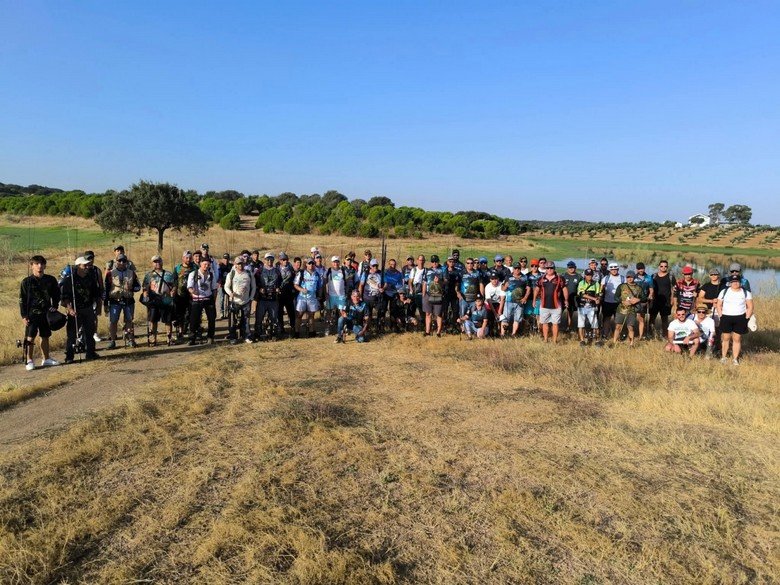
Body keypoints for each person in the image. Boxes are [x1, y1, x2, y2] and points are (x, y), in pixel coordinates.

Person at [19, 255, 61, 370]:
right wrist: (24, 315)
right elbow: (21, 300)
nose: (40, 266)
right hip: (31, 314)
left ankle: (46, 359)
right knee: (30, 337)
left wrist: (55, 306)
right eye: (37, 264)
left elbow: (56, 295)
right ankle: (29, 360)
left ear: (45, 265)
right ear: (31, 266)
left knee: (45, 336)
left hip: (46, 313)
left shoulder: (50, 279)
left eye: (42, 264)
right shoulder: (26, 282)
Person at [61, 256, 101, 362]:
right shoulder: (69, 280)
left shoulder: (91, 279)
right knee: (72, 335)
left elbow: (96, 294)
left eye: (88, 265)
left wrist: (98, 307)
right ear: (78, 266)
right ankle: (69, 356)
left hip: (88, 309)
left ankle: (90, 353)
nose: (87, 267)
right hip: (75, 311)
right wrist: (70, 309)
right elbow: (65, 297)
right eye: (85, 265)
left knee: (90, 332)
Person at [104, 253, 141, 349]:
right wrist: (105, 303)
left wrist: (131, 287)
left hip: (128, 300)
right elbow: (106, 289)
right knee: (113, 321)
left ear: (126, 262)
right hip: (114, 301)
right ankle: (112, 341)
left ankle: (130, 339)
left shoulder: (131, 273)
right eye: (119, 260)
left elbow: (138, 287)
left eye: (124, 261)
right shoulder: (110, 273)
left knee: (129, 320)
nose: (122, 262)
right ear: (116, 262)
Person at [716, 274, 753, 366]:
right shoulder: (724, 291)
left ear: (740, 282)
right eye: (733, 282)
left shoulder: (746, 292)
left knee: (737, 338)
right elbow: (718, 304)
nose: (735, 283)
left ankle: (735, 359)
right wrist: (721, 316)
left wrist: (747, 318)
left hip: (740, 317)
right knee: (726, 338)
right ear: (730, 283)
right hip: (726, 317)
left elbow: (750, 306)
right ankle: (724, 357)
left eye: (737, 281)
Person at [142, 255, 177, 346]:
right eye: (155, 262)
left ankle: (169, 338)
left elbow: (174, 286)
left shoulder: (169, 274)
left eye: (158, 261)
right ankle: (153, 339)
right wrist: (146, 299)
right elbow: (145, 288)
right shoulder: (148, 275)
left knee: (168, 320)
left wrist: (173, 291)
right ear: (152, 263)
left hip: (166, 300)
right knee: (153, 320)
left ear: (162, 262)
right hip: (154, 301)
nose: (157, 263)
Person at [224, 256, 255, 344]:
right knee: (233, 320)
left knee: (246, 320)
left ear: (244, 264)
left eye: (241, 263)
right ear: (235, 264)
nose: (240, 265)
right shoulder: (231, 274)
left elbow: (254, 287)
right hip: (234, 301)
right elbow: (226, 286)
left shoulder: (249, 273)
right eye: (238, 264)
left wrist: (251, 298)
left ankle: (246, 336)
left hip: (246, 301)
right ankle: (233, 337)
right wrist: (230, 293)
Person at [187, 257, 218, 345]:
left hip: (208, 299)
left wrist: (214, 301)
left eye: (208, 265)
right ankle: (192, 338)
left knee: (212, 319)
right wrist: (192, 291)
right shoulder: (193, 274)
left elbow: (214, 289)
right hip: (197, 299)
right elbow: (189, 286)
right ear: (200, 264)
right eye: (204, 264)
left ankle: (210, 337)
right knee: (194, 319)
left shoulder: (211, 275)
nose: (206, 266)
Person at [536, 261, 567, 343]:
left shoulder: (560, 278)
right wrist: (534, 299)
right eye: (547, 268)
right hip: (544, 305)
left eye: (551, 268)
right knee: (544, 323)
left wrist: (566, 300)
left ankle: (554, 340)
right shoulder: (541, 278)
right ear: (545, 269)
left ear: (554, 268)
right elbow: (537, 289)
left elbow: (564, 289)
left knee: (555, 324)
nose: (549, 269)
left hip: (556, 305)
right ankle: (545, 339)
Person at [255, 252, 282, 340]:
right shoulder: (260, 270)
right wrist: (259, 288)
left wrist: (278, 288)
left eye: (271, 259)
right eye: (268, 259)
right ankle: (258, 333)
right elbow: (255, 282)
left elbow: (281, 282)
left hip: (273, 297)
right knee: (259, 317)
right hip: (262, 298)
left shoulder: (277, 270)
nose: (269, 261)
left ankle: (273, 333)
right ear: (265, 260)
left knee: (274, 317)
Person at [613, 270, 643, 346]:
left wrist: (638, 299)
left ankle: (631, 344)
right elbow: (615, 297)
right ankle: (614, 342)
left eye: (631, 277)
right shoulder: (621, 286)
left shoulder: (638, 288)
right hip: (621, 310)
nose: (629, 279)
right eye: (628, 277)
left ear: (634, 277)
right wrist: (622, 301)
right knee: (618, 326)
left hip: (632, 310)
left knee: (630, 327)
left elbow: (644, 298)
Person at [294, 258, 322, 338]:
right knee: (299, 315)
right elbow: (295, 285)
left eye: (312, 263)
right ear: (306, 264)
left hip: (312, 297)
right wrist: (302, 289)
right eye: (309, 263)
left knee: (311, 315)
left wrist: (319, 297)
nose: (311, 265)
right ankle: (296, 333)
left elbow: (319, 286)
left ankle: (311, 332)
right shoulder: (301, 273)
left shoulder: (317, 274)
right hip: (302, 297)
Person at [501, 262, 529, 337]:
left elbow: (528, 289)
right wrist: (505, 287)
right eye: (515, 268)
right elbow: (502, 288)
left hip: (519, 302)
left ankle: (513, 334)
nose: (517, 270)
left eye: (518, 268)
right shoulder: (508, 277)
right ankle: (503, 334)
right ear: (513, 269)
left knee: (517, 318)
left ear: (520, 268)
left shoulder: (525, 277)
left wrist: (525, 298)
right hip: (509, 301)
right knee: (505, 318)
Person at [173, 250, 197, 341]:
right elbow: (174, 281)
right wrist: (174, 290)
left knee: (191, 314)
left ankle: (192, 331)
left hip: (191, 295)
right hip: (180, 295)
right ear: (183, 258)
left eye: (190, 257)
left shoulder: (195, 267)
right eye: (186, 257)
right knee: (180, 315)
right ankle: (180, 332)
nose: (188, 259)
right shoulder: (177, 268)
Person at [323, 256, 349, 335]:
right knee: (328, 312)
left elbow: (347, 283)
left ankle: (343, 328)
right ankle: (327, 328)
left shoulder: (344, 271)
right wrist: (326, 294)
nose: (336, 263)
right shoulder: (328, 271)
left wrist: (346, 293)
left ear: (339, 262)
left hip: (341, 296)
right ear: (332, 263)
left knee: (342, 312)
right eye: (334, 262)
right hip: (331, 296)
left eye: (337, 261)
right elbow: (324, 283)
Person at [650, 260, 676, 338]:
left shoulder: (671, 277)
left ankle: (665, 336)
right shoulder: (653, 276)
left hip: (666, 302)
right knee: (652, 319)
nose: (663, 267)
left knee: (664, 320)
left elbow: (673, 289)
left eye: (665, 266)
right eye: (661, 266)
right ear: (659, 267)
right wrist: (650, 299)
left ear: (667, 267)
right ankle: (651, 334)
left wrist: (672, 300)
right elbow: (650, 288)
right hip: (655, 301)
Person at [576, 268, 601, 345]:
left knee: (595, 324)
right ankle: (582, 340)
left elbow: (598, 294)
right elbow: (582, 294)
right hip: (582, 306)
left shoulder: (596, 283)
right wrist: (594, 298)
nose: (589, 276)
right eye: (587, 275)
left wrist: (598, 299)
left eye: (590, 275)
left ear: (592, 275)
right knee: (581, 324)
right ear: (585, 275)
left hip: (592, 307)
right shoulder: (581, 283)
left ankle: (597, 341)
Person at [599, 261, 623, 341]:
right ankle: (605, 335)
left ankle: (617, 336)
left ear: (618, 269)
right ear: (609, 270)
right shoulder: (605, 278)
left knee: (618, 320)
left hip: (618, 303)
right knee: (606, 319)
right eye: (612, 269)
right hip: (607, 302)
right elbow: (601, 290)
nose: (614, 270)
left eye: (615, 269)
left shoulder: (623, 278)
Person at [422, 255, 445, 336]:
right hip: (428, 294)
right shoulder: (427, 270)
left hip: (438, 294)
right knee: (428, 313)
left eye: (436, 261)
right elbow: (424, 282)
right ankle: (427, 331)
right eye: (433, 261)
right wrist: (423, 294)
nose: (434, 263)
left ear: (438, 261)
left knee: (438, 314)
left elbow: (446, 282)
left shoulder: (443, 270)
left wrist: (439, 282)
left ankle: (438, 332)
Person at [360, 258, 385, 325]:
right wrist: (360, 296)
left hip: (377, 297)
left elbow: (385, 283)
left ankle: (379, 326)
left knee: (381, 312)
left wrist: (383, 288)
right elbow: (361, 285)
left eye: (376, 265)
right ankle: (368, 327)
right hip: (367, 297)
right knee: (368, 314)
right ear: (370, 266)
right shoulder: (365, 273)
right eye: (373, 266)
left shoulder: (380, 273)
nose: (375, 267)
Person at [277, 252, 297, 336]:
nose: (285, 261)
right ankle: (281, 328)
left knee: (291, 312)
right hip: (280, 294)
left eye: (286, 259)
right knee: (279, 312)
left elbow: (294, 279)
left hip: (289, 294)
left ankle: (293, 327)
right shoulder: (276, 269)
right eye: (283, 259)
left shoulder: (290, 268)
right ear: (280, 260)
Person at [383, 258, 405, 331]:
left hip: (394, 294)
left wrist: (399, 292)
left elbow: (400, 285)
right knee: (383, 309)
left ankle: (393, 325)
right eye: (391, 264)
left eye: (394, 264)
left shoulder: (398, 274)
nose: (393, 266)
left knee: (393, 310)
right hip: (385, 293)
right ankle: (382, 326)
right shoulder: (385, 272)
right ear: (388, 264)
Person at [634, 262, 654, 340]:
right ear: (636, 269)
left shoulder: (649, 278)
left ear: (644, 268)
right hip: (633, 300)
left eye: (642, 268)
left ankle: (641, 336)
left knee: (641, 318)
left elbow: (651, 289)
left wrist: (650, 296)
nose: (641, 270)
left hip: (643, 301)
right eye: (639, 269)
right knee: (632, 318)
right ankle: (632, 334)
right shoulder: (633, 277)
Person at [442, 257, 462, 332]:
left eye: (453, 261)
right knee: (445, 310)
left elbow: (457, 283)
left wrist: (457, 292)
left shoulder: (457, 272)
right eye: (450, 261)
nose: (451, 263)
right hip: (445, 293)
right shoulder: (443, 270)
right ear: (447, 262)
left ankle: (454, 326)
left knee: (455, 310)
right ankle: (444, 326)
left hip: (454, 293)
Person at [523, 259, 542, 334]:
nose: (534, 267)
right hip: (529, 299)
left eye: (536, 266)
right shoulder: (526, 276)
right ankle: (527, 331)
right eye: (532, 266)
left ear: (538, 266)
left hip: (539, 299)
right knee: (527, 314)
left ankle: (539, 332)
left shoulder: (542, 275)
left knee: (538, 315)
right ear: (530, 266)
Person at [562, 261, 582, 333]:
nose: (571, 269)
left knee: (570, 312)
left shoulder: (579, 276)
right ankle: (558, 326)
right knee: (559, 312)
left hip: (573, 298)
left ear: (575, 268)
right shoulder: (563, 275)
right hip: (563, 298)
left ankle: (569, 327)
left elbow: (582, 287)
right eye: (569, 267)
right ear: (567, 268)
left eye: (572, 267)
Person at [484, 271, 505, 335]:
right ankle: (491, 332)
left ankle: (501, 332)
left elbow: (502, 298)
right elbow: (489, 300)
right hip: (490, 303)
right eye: (492, 279)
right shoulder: (487, 287)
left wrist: (499, 311)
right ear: (490, 279)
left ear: (498, 279)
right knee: (490, 317)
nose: (494, 280)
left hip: (499, 302)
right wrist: (495, 313)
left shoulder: (501, 285)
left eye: (496, 278)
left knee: (501, 317)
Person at [216, 253, 232, 319]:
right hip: (221, 284)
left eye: (227, 259)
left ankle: (229, 312)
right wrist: (219, 282)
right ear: (222, 259)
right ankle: (221, 313)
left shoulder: (231, 266)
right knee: (221, 298)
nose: (226, 260)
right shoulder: (220, 266)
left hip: (229, 285)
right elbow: (218, 274)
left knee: (230, 299)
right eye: (225, 259)